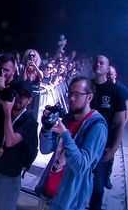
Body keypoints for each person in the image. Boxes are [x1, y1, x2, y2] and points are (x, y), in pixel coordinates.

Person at [35, 77, 107, 210]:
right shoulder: (69, 119)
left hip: (68, 202)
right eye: (70, 93)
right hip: (48, 193)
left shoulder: (97, 126)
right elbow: (45, 150)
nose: (71, 98)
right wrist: (46, 127)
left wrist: (65, 134)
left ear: (89, 97)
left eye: (77, 95)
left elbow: (81, 166)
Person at [0, 80, 38, 210]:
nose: (19, 98)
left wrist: (8, 112)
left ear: (30, 100)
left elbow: (10, 141)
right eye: (16, 93)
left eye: (23, 95)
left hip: (10, 176)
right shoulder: (2, 111)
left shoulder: (29, 121)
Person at [89, 55, 127, 209]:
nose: (98, 64)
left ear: (107, 67)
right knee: (75, 184)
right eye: (96, 61)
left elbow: (120, 123)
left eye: (102, 62)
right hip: (83, 143)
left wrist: (113, 149)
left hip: (102, 147)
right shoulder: (85, 86)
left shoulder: (117, 91)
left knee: (98, 187)